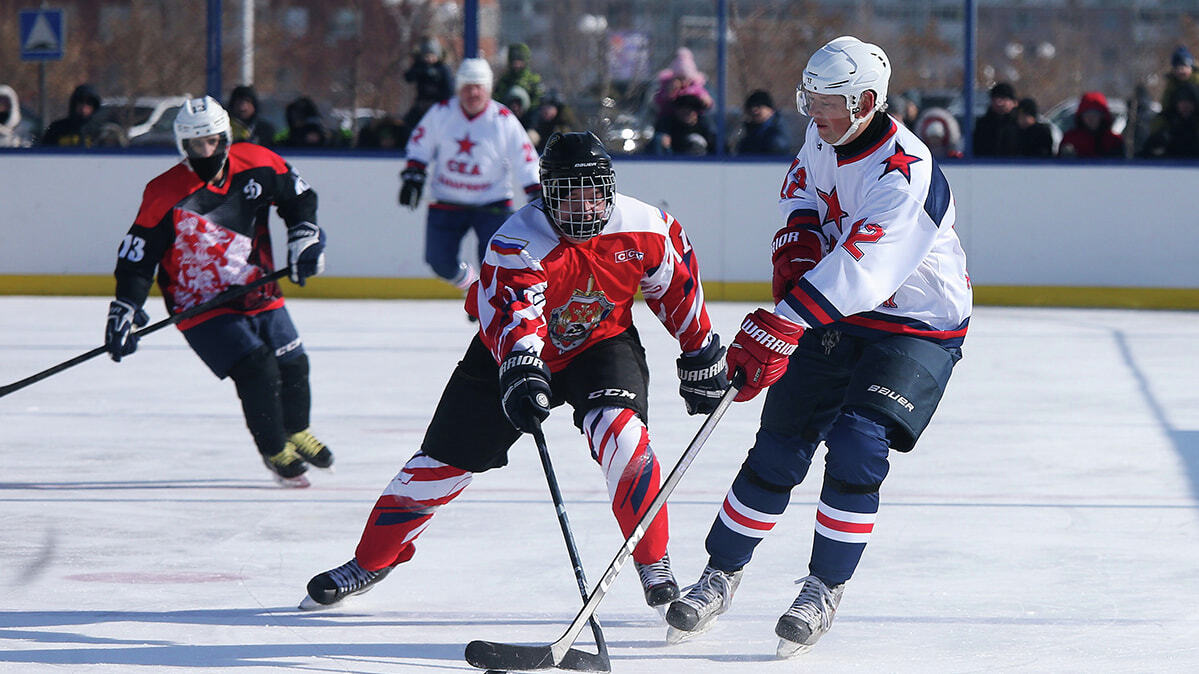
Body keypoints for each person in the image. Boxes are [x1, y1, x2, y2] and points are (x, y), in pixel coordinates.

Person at [300, 131, 728, 616]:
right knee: (443, 462)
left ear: (609, 188)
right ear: (548, 193)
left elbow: (676, 287)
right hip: (509, 355)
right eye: (570, 193)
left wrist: (700, 351)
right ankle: (371, 561)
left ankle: (655, 564)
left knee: (625, 438)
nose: (584, 207)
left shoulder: (647, 227)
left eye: (594, 193)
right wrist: (523, 369)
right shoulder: (516, 241)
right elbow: (517, 318)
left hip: (601, 344)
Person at [664, 36, 971, 658]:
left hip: (915, 324)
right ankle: (719, 573)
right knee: (781, 440)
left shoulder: (904, 172)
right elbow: (804, 187)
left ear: (865, 101)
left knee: (858, 441)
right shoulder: (825, 132)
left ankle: (823, 587)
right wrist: (798, 240)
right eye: (808, 97)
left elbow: (866, 266)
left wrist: (784, 320)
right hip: (837, 313)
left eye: (827, 100)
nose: (814, 111)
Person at [104, 96, 331, 488]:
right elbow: (138, 257)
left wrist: (303, 237)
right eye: (196, 144)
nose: (206, 150)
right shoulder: (164, 192)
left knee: (293, 363)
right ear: (183, 146)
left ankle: (296, 430)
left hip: (257, 288)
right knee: (256, 367)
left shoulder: (257, 161)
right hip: (198, 304)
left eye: (212, 141)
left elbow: (299, 197)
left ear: (226, 137)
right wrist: (125, 306)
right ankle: (274, 447)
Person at [399, 58, 540, 292]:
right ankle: (473, 287)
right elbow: (419, 144)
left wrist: (534, 191)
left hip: (492, 203)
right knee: (439, 262)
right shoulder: (441, 112)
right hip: (447, 201)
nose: (473, 92)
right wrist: (413, 175)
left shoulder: (503, 119)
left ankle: (486, 302)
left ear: (488, 88)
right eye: (467, 86)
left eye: (479, 86)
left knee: (496, 265)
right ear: (458, 88)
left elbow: (524, 157)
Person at [401, 37, 454, 147]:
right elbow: (408, 77)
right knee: (409, 124)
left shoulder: (443, 69)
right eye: (426, 56)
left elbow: (449, 90)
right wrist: (421, 69)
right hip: (421, 104)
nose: (429, 59)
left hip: (438, 106)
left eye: (432, 56)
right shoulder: (420, 67)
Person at [1057, 91, 1124, 158]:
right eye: (1087, 114)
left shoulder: (1114, 140)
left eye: (1095, 114)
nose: (1091, 118)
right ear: (1081, 116)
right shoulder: (1070, 139)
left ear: (1102, 116)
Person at [653, 47, 714, 121]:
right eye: (679, 78)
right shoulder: (667, 87)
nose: (682, 82)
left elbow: (707, 103)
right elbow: (659, 103)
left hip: (692, 121)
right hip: (671, 120)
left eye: (685, 78)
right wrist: (670, 92)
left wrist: (705, 101)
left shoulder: (695, 88)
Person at [1141, 81, 1199, 158]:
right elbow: (1148, 150)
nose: (1185, 106)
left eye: (1189, 102)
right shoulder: (1165, 121)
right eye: (1181, 102)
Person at [651, 93, 716, 156]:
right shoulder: (668, 122)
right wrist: (663, 139)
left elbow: (713, 142)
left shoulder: (704, 125)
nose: (685, 115)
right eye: (682, 111)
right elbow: (661, 135)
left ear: (696, 113)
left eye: (689, 112)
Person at [734, 89, 792, 156]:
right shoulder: (748, 129)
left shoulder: (778, 131)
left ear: (770, 110)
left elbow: (778, 151)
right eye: (751, 107)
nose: (754, 110)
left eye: (759, 106)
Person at [972, 81, 1020, 157]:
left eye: (1003, 98)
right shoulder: (983, 124)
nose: (999, 102)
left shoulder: (1019, 124)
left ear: (1013, 102)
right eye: (995, 98)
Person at [494, 42, 545, 111]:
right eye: (514, 62)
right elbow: (497, 100)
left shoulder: (533, 80)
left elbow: (539, 101)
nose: (517, 65)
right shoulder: (505, 80)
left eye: (520, 62)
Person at [1160, 45, 1199, 112]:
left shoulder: (1197, 82)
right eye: (1177, 68)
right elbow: (1165, 109)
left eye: (1184, 67)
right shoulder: (1171, 86)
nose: (1180, 71)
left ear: (1191, 68)